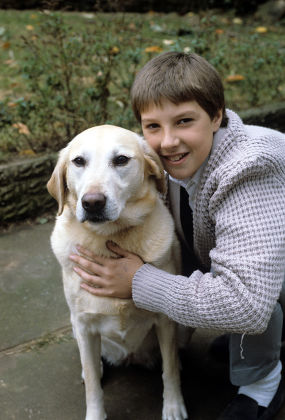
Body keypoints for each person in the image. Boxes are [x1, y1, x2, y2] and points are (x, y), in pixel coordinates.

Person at [69, 52, 285, 419]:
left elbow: (247, 304)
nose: (167, 142)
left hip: (263, 284)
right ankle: (252, 342)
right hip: (251, 265)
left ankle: (264, 380)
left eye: (184, 121)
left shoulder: (250, 170)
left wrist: (140, 281)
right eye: (152, 126)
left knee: (249, 306)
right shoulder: (157, 156)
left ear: (217, 115)